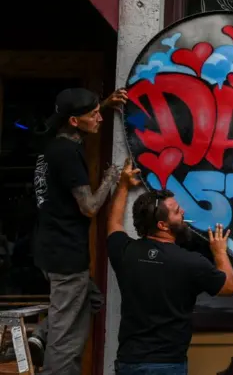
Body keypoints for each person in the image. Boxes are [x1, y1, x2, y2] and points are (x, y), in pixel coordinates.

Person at [29, 87, 128, 374]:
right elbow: (89, 207)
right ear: (74, 120)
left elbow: (77, 128)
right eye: (94, 114)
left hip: (49, 250)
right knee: (67, 340)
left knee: (91, 299)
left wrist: (106, 104)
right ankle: (51, 349)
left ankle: (41, 334)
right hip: (67, 256)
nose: (99, 118)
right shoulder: (68, 155)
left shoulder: (52, 141)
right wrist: (112, 177)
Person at [107, 159, 233, 375]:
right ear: (162, 225)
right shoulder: (190, 262)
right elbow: (229, 286)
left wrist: (122, 186)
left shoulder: (125, 253)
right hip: (168, 365)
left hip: (130, 362)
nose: (183, 211)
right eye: (177, 211)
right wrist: (220, 253)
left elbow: (114, 225)